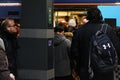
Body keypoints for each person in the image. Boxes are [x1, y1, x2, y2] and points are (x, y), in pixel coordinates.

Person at [70, 7, 120, 80]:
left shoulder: (80, 31)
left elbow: (74, 52)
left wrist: (78, 67)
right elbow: (117, 49)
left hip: (86, 70)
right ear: (100, 15)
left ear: (88, 17)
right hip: (105, 69)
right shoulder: (108, 29)